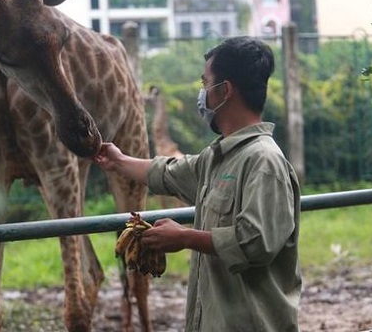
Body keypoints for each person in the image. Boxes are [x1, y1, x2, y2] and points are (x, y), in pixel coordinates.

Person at [94, 36, 302, 331]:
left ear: (225, 90)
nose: (202, 93)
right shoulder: (217, 157)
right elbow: (169, 172)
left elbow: (256, 243)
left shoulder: (264, 162)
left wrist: (185, 238)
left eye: (206, 84)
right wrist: (118, 161)